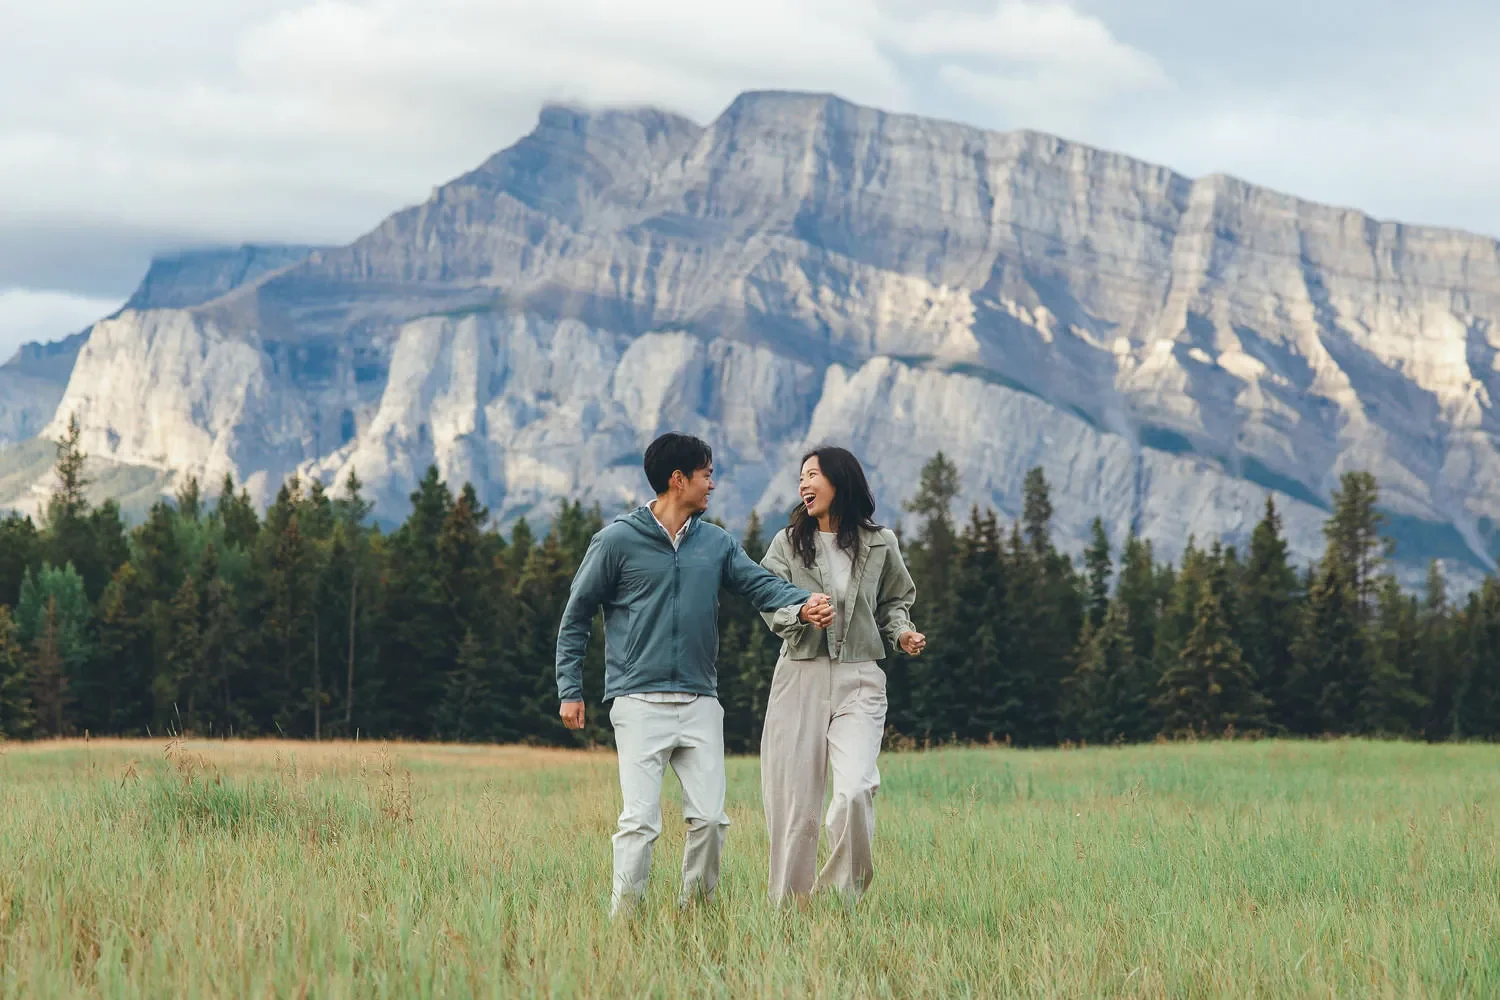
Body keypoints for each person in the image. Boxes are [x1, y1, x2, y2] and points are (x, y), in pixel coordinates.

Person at [555, 432, 835, 917]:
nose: (712, 483)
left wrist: (802, 602)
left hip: (701, 701)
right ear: (677, 479)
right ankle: (625, 922)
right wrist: (570, 689)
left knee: (710, 819)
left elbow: (759, 584)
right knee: (640, 822)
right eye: (706, 474)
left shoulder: (717, 542)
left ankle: (694, 917)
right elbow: (576, 614)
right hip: (638, 701)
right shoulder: (617, 540)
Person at [758, 446, 925, 905]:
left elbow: (895, 601)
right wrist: (800, 614)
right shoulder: (786, 544)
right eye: (800, 478)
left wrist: (902, 633)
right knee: (795, 806)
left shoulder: (880, 542)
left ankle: (838, 900)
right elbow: (766, 597)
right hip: (800, 676)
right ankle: (788, 914)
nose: (803, 485)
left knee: (854, 790)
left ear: (839, 480)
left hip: (861, 678)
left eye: (813, 475)